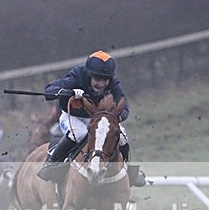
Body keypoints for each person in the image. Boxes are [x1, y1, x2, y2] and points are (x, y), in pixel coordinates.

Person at [38, 50, 145, 187]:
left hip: (96, 121)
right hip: (72, 117)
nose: (101, 84)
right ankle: (51, 163)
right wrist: (67, 92)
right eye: (97, 79)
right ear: (89, 75)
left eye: (104, 80)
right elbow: (49, 89)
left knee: (122, 136)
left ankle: (127, 171)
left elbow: (124, 109)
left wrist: (112, 118)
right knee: (80, 133)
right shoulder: (77, 76)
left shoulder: (114, 84)